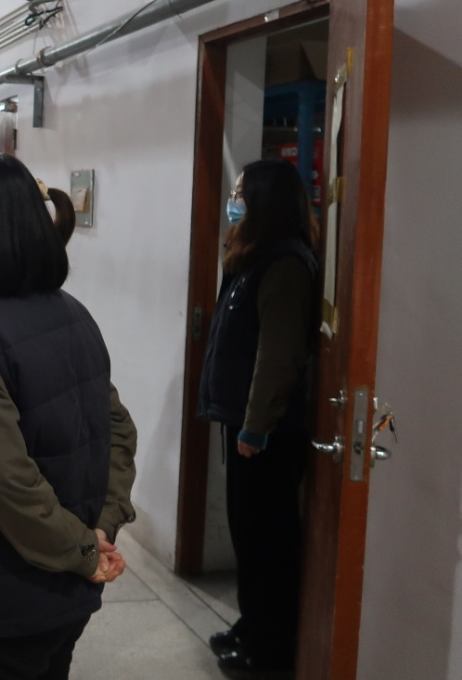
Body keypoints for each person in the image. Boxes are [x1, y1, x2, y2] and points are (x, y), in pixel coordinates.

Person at [0, 154, 138, 680]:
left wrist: (86, 549)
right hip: (66, 592)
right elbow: (118, 433)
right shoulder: (72, 312)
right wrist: (100, 530)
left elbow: (6, 483)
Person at [198, 158, 318, 680]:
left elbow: (279, 354)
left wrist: (255, 425)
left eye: (242, 192)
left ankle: (271, 654)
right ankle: (252, 627)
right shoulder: (253, 254)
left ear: (265, 201)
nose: (234, 199)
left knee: (269, 543)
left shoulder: (286, 263)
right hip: (245, 422)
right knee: (247, 534)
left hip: (268, 432)